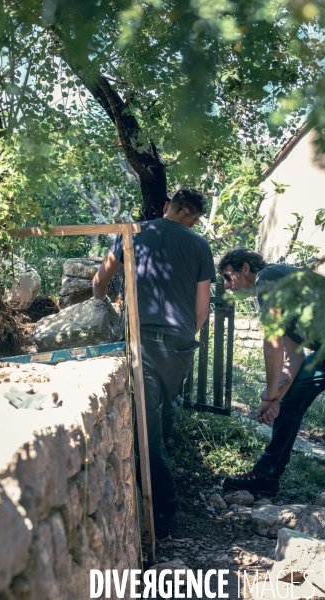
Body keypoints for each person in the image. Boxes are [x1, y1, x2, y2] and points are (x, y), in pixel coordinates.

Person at [92, 188, 216, 534]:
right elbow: (201, 308)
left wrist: (102, 303)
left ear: (167, 207)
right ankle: (160, 488)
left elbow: (100, 278)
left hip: (141, 341)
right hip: (178, 346)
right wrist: (187, 334)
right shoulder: (200, 245)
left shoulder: (134, 233)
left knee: (147, 429)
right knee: (164, 412)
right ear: (193, 218)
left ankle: (164, 509)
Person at [218, 248, 325, 496]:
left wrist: (268, 395)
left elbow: (273, 341)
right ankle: (265, 476)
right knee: (290, 402)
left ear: (245, 269)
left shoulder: (267, 277)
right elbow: (294, 357)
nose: (226, 286)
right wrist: (276, 397)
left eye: (227, 276)